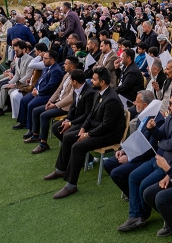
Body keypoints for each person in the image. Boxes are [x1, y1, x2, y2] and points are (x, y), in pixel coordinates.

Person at [43, 67, 126, 199]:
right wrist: (83, 129)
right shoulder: (98, 92)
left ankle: (71, 185)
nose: (91, 81)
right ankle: (61, 169)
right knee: (68, 136)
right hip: (97, 129)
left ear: (102, 82)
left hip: (109, 135)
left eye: (94, 79)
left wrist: (87, 134)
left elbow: (106, 126)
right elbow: (91, 115)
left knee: (77, 146)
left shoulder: (112, 99)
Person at [119, 91, 172, 231]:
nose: (168, 105)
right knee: (133, 177)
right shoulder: (171, 116)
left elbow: (171, 145)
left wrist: (160, 142)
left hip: (169, 165)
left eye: (171, 103)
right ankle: (136, 215)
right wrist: (152, 129)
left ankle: (167, 220)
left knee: (144, 187)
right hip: (158, 158)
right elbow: (161, 135)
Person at [103, 90, 166, 197]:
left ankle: (135, 198)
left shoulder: (157, 120)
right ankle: (132, 195)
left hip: (144, 158)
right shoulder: (142, 116)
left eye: (137, 101)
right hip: (135, 153)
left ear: (145, 105)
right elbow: (136, 138)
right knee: (108, 163)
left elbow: (150, 149)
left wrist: (129, 158)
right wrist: (124, 150)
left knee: (116, 173)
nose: (134, 103)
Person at [24, 56, 78, 150]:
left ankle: (43, 144)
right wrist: (50, 101)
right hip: (57, 102)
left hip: (66, 107)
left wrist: (55, 105)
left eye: (66, 64)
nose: (63, 65)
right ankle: (35, 135)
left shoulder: (76, 77)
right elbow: (58, 90)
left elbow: (70, 98)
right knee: (36, 110)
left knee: (44, 115)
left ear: (72, 66)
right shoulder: (66, 75)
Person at [14, 50, 64, 131]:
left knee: (31, 105)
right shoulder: (46, 67)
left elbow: (50, 86)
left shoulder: (56, 71)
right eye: (43, 58)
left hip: (47, 94)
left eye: (45, 58)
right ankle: (23, 122)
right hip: (38, 91)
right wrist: (35, 87)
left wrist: (38, 92)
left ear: (52, 60)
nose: (43, 60)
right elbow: (40, 80)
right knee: (23, 100)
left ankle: (31, 129)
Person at [50, 69, 96, 143]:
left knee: (67, 135)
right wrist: (67, 119)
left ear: (75, 82)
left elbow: (87, 114)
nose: (70, 82)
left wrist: (70, 123)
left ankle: (69, 145)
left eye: (70, 80)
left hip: (83, 121)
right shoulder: (76, 89)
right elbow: (72, 106)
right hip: (74, 118)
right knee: (55, 128)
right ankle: (69, 145)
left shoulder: (89, 93)